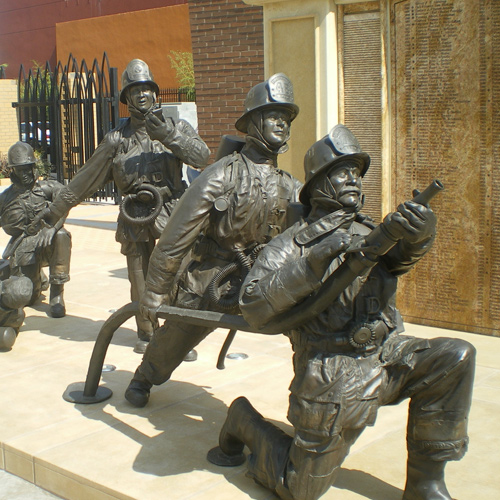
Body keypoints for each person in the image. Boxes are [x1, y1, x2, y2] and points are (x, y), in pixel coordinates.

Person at [208, 125, 476, 500]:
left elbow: (398, 262)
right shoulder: (292, 243)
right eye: (341, 172)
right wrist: (316, 259)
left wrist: (420, 235)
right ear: (317, 184)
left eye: (356, 172)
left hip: (385, 355)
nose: (352, 179)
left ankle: (425, 483)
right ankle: (243, 420)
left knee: (454, 357)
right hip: (331, 368)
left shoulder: (369, 229)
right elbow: (252, 304)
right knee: (300, 489)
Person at [125, 73, 303, 408]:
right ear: (253, 122)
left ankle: (310, 397)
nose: (282, 124)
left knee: (308, 326)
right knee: (176, 336)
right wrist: (155, 290)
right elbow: (177, 236)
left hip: (264, 280)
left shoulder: (290, 186)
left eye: (286, 118)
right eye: (273, 116)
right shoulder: (222, 174)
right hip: (214, 279)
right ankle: (144, 376)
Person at [43, 59, 210, 352]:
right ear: (127, 98)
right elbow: (83, 181)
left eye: (146, 88)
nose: (142, 94)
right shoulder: (115, 140)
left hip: (171, 209)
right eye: (135, 90)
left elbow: (202, 157)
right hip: (134, 214)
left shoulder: (176, 127)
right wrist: (53, 213)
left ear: (155, 93)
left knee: (178, 273)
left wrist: (168, 136)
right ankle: (147, 332)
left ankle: (178, 334)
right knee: (139, 277)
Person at [0, 141, 71, 318]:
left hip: (47, 241)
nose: (25, 174)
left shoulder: (48, 188)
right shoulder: (6, 197)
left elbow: (65, 203)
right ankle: (38, 277)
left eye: (27, 168)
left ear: (33, 167)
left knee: (62, 235)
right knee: (28, 297)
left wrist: (52, 228)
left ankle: (57, 294)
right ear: (13, 170)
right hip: (24, 247)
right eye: (20, 170)